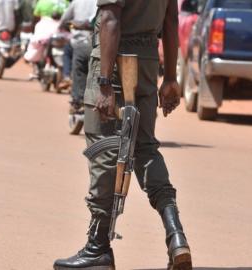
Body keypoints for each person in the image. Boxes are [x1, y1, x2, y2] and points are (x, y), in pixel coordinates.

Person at [53, 0, 192, 269]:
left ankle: (97, 247)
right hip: (148, 65)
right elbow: (171, 21)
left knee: (104, 149)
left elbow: (109, 19)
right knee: (145, 149)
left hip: (114, 61)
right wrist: (171, 78)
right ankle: (176, 235)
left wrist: (104, 83)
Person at [58, 0, 98, 110]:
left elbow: (65, 20)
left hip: (82, 41)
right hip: (100, 45)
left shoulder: (76, 2)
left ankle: (77, 99)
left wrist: (71, 25)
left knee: (77, 65)